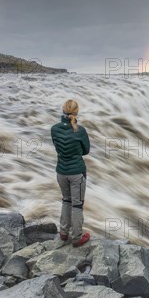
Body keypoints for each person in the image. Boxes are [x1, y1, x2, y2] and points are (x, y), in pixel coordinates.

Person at [51, 99, 91, 247]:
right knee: (77, 205)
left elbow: (57, 147)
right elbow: (86, 150)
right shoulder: (80, 130)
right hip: (77, 173)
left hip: (61, 171)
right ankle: (76, 238)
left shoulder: (54, 129)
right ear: (77, 112)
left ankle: (63, 233)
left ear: (63, 110)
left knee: (66, 200)